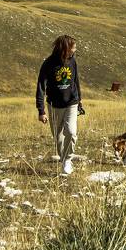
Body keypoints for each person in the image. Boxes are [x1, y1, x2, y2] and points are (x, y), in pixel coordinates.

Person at [36, 35, 85, 175]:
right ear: (65, 48)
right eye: (73, 47)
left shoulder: (73, 61)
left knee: (71, 132)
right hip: (54, 105)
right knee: (58, 137)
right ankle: (63, 160)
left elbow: (76, 81)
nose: (75, 49)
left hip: (71, 102)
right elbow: (40, 86)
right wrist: (41, 110)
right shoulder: (48, 63)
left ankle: (68, 159)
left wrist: (80, 99)